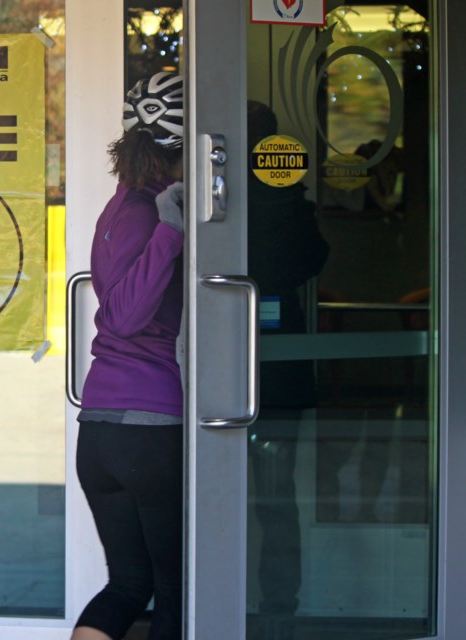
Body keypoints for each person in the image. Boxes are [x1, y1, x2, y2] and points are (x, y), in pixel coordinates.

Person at [71, 71, 186, 640]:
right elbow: (122, 314)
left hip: (100, 432)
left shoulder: (118, 208)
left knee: (126, 585)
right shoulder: (150, 215)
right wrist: (173, 232)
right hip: (149, 430)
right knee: (174, 594)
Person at [245, 100, 329, 640]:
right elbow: (313, 260)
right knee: (276, 499)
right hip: (278, 364)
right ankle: (280, 608)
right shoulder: (287, 200)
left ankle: (202, 599)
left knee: (211, 489)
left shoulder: (224, 197)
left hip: (232, 361)